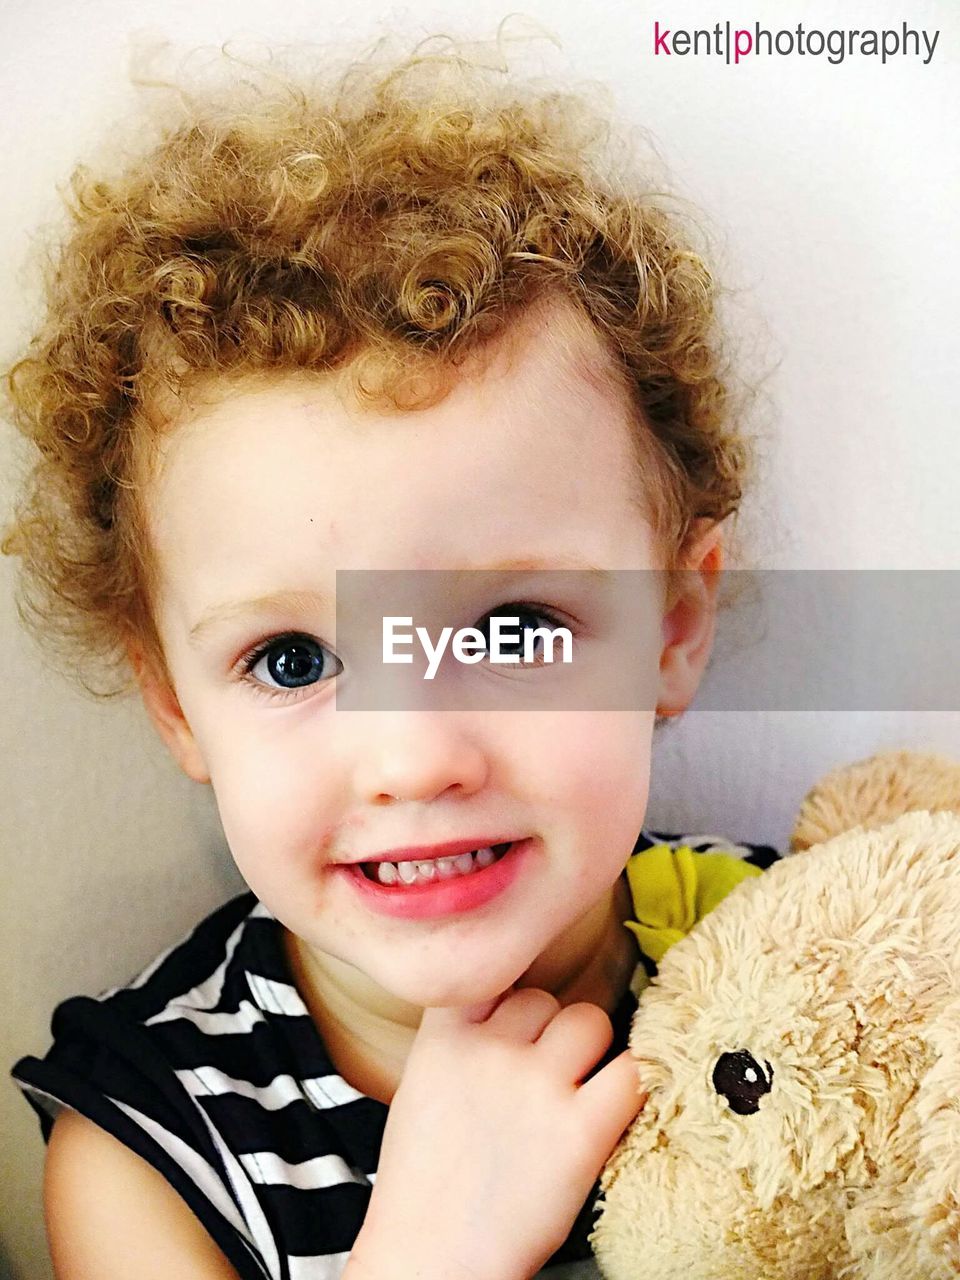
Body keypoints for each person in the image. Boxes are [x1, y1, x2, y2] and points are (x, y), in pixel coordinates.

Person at [5, 39, 783, 1280]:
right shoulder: (151, 1154)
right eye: (293, 657)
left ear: (672, 631)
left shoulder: (819, 963)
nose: (416, 753)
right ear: (174, 704)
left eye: (513, 629)